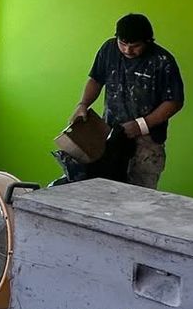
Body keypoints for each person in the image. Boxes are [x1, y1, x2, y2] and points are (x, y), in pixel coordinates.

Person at [59, 13, 184, 189]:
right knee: (102, 188)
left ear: (148, 41)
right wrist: (83, 105)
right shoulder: (109, 49)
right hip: (108, 133)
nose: (127, 50)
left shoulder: (163, 61)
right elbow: (95, 79)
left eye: (135, 46)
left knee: (139, 194)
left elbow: (174, 102)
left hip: (147, 141)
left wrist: (141, 125)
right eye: (123, 44)